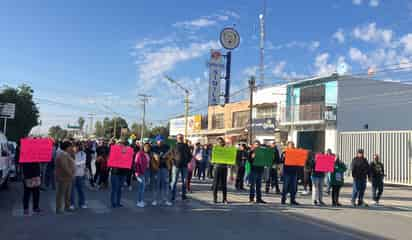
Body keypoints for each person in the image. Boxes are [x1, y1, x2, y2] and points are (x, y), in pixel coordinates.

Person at [170, 134, 192, 203]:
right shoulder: (174, 146)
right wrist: (174, 162)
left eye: (181, 137)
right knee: (174, 181)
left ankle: (183, 196)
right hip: (176, 166)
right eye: (179, 137)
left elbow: (190, 155)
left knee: (184, 181)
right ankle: (172, 196)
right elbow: (171, 155)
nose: (180, 139)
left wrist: (187, 161)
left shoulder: (186, 146)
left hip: (184, 166)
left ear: (183, 138)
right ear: (177, 138)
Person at [55, 141, 75, 214]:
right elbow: (65, 167)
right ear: (67, 147)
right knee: (61, 194)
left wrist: (72, 153)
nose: (71, 148)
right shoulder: (62, 155)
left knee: (67, 194)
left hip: (67, 177)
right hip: (63, 177)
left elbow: (73, 161)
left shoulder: (67, 154)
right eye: (70, 146)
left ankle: (67, 206)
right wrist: (71, 174)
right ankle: (58, 209)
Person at [151, 136, 172, 206]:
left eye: (161, 140)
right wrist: (158, 156)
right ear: (156, 141)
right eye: (159, 140)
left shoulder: (167, 147)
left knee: (165, 184)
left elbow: (171, 155)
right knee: (156, 184)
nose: (160, 141)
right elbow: (153, 156)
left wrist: (168, 156)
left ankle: (165, 200)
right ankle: (154, 200)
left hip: (165, 168)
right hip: (156, 168)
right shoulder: (153, 147)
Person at [281, 141, 300, 205]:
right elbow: (281, 161)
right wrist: (283, 157)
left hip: (294, 172)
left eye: (292, 145)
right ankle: (283, 200)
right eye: (290, 145)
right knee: (285, 187)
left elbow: (299, 161)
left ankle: (292, 200)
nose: (291, 146)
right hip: (287, 172)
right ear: (288, 146)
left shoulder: (296, 152)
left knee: (293, 187)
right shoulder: (285, 152)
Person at [70, 142, 87, 210]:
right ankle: (71, 204)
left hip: (80, 175)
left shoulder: (83, 153)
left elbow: (83, 162)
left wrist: (75, 163)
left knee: (81, 190)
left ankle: (82, 203)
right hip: (72, 175)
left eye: (76, 146)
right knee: (71, 191)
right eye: (74, 147)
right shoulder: (69, 154)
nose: (75, 148)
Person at [212, 137, 229, 204]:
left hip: (224, 167)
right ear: (217, 143)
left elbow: (229, 158)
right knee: (215, 184)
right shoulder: (215, 149)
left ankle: (224, 199)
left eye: (221, 142)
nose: (220, 143)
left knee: (224, 184)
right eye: (219, 142)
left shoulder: (226, 149)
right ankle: (215, 198)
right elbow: (212, 159)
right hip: (217, 167)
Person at [135, 142, 151, 208]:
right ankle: (139, 201)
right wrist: (137, 173)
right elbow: (136, 163)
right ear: (143, 147)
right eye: (146, 147)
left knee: (143, 187)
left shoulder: (147, 154)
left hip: (146, 171)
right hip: (140, 172)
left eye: (148, 147)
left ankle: (141, 200)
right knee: (141, 187)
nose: (147, 148)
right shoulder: (139, 153)